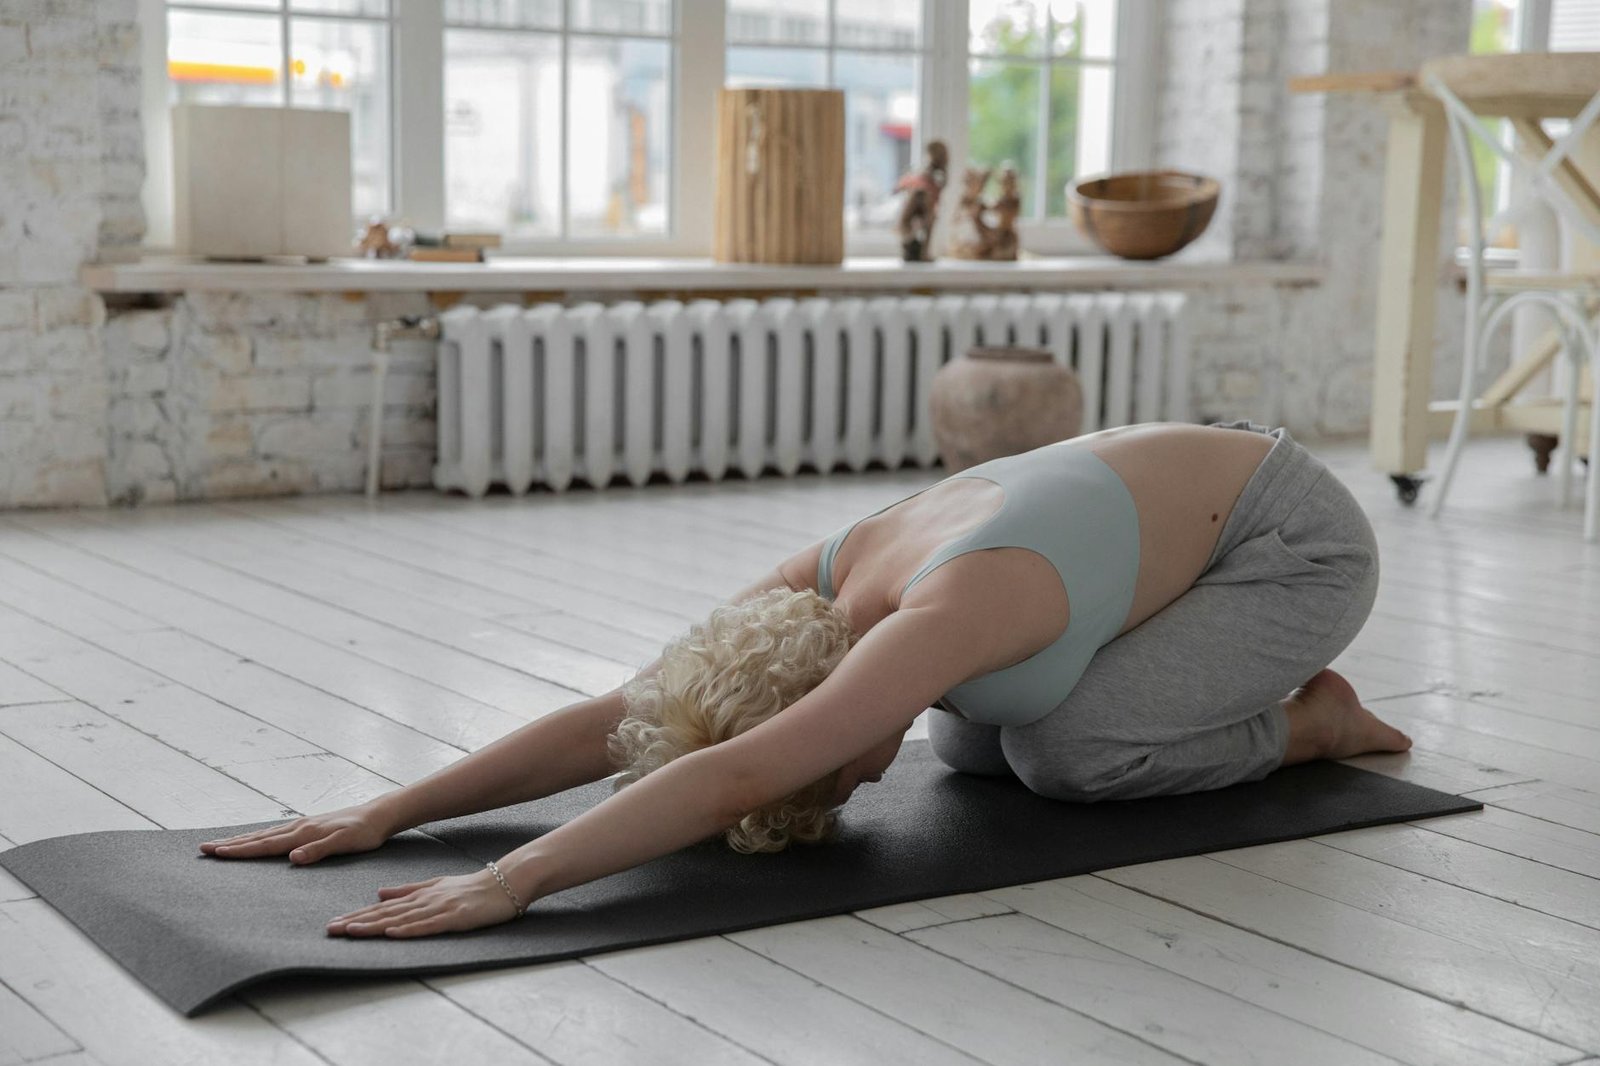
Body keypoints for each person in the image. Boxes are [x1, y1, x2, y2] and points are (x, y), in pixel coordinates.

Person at [199, 420, 1411, 939]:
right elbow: (624, 710)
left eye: (827, 783)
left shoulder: (943, 604)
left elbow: (750, 765)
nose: (842, 790)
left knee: (1065, 752)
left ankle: (1310, 720)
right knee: (977, 743)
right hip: (1165, 530)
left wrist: (515, 879)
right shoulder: (821, 589)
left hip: (1284, 547)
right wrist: (394, 807)